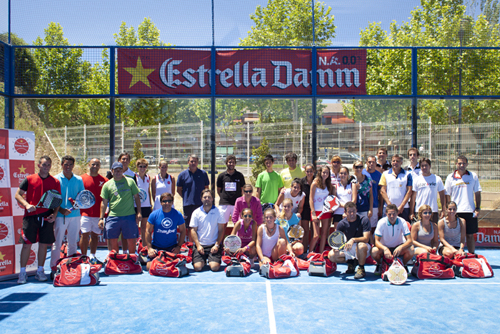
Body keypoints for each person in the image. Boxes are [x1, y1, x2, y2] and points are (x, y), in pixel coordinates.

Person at [15, 156, 61, 284]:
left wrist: (55, 214)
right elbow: (18, 194)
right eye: (44, 164)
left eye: (48, 165)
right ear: (39, 165)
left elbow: (57, 201)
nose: (46, 167)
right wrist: (27, 205)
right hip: (30, 218)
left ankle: (40, 271)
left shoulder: (55, 182)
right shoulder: (29, 179)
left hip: (46, 217)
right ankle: (22, 273)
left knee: (43, 245)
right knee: (26, 245)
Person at [51, 155, 85, 275]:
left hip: (75, 216)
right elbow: (53, 198)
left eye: (70, 164)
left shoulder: (79, 180)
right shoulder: (55, 179)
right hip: (60, 216)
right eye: (66, 164)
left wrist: (77, 203)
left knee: (72, 242)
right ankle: (54, 267)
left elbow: (82, 197)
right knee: (57, 242)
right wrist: (60, 210)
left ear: (73, 166)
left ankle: (71, 266)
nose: (68, 167)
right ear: (62, 165)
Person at [99, 162, 142, 254]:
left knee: (131, 240)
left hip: (129, 215)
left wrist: (139, 212)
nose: (118, 172)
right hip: (113, 216)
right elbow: (104, 202)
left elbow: (137, 197)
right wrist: (101, 218)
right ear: (112, 171)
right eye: (115, 170)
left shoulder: (130, 181)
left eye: (120, 170)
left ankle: (131, 259)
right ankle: (116, 260)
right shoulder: (107, 185)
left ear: (122, 171)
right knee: (113, 240)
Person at [444, 155, 481, 254]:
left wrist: (477, 208)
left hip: (469, 210)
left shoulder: (473, 176)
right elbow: (447, 195)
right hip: (455, 212)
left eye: (464, 163)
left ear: (467, 164)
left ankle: (471, 255)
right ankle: (455, 255)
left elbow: (477, 192)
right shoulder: (450, 177)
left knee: (469, 235)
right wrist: (447, 210)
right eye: (459, 163)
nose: (462, 165)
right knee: (456, 236)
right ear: (456, 164)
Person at [327, 202, 371, 279]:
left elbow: (366, 239)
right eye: (349, 211)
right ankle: (351, 263)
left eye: (353, 211)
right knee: (331, 255)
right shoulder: (342, 223)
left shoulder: (364, 220)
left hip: (363, 247)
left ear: (356, 210)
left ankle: (361, 268)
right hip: (349, 247)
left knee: (361, 246)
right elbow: (337, 240)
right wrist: (336, 248)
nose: (352, 213)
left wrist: (353, 239)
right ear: (345, 212)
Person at [145, 192, 186, 270]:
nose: (167, 203)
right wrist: (149, 248)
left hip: (172, 247)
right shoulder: (154, 214)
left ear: (172, 202)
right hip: (156, 247)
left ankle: (165, 263)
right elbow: (147, 231)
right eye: (164, 201)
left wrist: (178, 246)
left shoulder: (178, 214)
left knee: (176, 266)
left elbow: (183, 230)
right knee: (149, 267)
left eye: (169, 201)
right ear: (160, 202)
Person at [371, 204, 414, 274]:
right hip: (384, 248)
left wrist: (401, 247)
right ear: (386, 214)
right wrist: (385, 249)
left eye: (394, 214)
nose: (392, 216)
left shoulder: (402, 221)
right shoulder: (381, 222)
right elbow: (376, 241)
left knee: (411, 249)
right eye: (389, 214)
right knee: (374, 251)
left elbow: (410, 240)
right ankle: (379, 264)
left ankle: (403, 264)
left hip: (398, 247)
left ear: (397, 213)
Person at [80, 158, 108, 264]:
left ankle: (92, 256)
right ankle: (83, 257)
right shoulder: (81, 179)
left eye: (97, 164)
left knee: (95, 235)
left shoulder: (105, 181)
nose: (95, 166)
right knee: (84, 234)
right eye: (93, 164)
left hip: (98, 214)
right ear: (89, 165)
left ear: (99, 166)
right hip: (85, 213)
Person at [190, 189, 225, 272]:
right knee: (198, 268)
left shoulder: (219, 212)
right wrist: (198, 245)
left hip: (213, 245)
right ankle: (203, 260)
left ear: (212, 199)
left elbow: (221, 230)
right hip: (200, 246)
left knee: (214, 267)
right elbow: (193, 230)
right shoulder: (196, 212)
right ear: (201, 199)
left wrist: (217, 245)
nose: (207, 199)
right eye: (205, 197)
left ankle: (209, 260)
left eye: (209, 197)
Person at [177, 154, 210, 227]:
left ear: (197, 162)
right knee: (189, 226)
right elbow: (179, 189)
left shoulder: (203, 174)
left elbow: (206, 189)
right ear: (188, 162)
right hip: (188, 205)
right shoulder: (182, 175)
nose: (193, 163)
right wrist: (186, 197)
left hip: (201, 204)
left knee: (201, 225)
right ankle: (190, 239)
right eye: (191, 161)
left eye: (195, 161)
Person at [410, 157, 445, 224]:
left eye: (426, 165)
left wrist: (443, 210)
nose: (424, 167)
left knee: (433, 232)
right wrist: (411, 212)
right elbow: (413, 197)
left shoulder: (437, 179)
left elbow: (442, 195)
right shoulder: (416, 180)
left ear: (430, 166)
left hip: (433, 211)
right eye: (422, 166)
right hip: (419, 211)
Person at [379, 154, 413, 221]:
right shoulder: (385, 174)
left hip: (404, 208)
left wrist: (401, 206)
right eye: (393, 161)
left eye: (397, 161)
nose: (395, 163)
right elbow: (382, 191)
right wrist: (390, 206)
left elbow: (409, 191)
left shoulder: (408, 174)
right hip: (388, 208)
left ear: (401, 162)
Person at [310, 166, 334, 253]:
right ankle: (309, 253)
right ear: (320, 172)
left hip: (326, 212)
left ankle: (320, 254)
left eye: (327, 173)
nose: (325, 174)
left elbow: (330, 198)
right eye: (323, 172)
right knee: (316, 235)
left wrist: (331, 208)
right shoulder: (315, 183)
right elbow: (311, 200)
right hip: (316, 212)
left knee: (324, 234)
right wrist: (313, 213)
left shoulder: (329, 185)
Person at [216, 154, 246, 223]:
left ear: (235, 164)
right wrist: (225, 197)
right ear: (226, 163)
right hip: (224, 204)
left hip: (236, 204)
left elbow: (242, 189)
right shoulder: (221, 176)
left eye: (233, 162)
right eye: (229, 162)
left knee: (238, 224)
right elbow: (219, 190)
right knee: (222, 224)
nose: (231, 164)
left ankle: (236, 234)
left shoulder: (239, 175)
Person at [134, 158, 152, 243]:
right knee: (135, 226)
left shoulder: (148, 177)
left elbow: (148, 191)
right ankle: (133, 246)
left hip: (146, 205)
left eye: (144, 166)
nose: (142, 168)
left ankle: (144, 246)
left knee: (144, 227)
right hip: (136, 206)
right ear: (137, 167)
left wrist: (150, 204)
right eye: (140, 166)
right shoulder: (134, 177)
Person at [300, 163, 316, 254]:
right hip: (305, 208)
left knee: (314, 231)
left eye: (311, 171)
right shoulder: (302, 182)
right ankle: (305, 250)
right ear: (305, 172)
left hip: (315, 208)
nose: (309, 173)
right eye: (307, 171)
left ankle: (313, 250)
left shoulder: (317, 181)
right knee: (305, 231)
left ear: (313, 171)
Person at [365, 156, 382, 233]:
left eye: (373, 162)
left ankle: (372, 243)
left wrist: (380, 207)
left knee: (372, 227)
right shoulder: (362, 173)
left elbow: (380, 192)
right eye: (369, 162)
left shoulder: (379, 175)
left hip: (374, 205)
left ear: (376, 163)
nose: (371, 164)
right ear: (366, 163)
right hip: (363, 205)